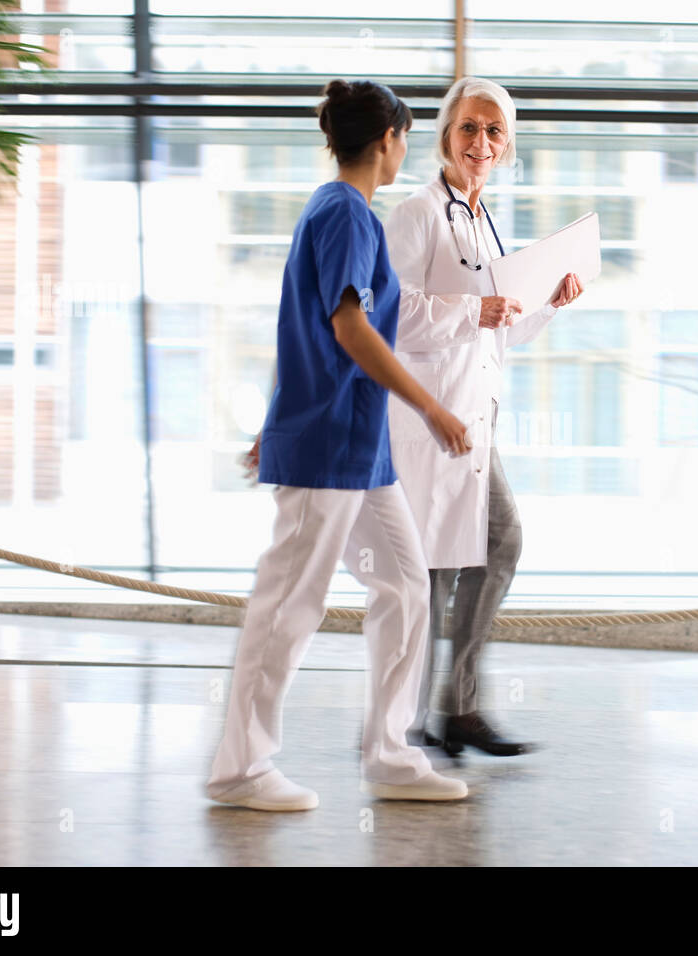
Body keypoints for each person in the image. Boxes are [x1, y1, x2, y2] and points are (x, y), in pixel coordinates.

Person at [206, 79, 472, 810]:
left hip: (356, 444)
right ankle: (240, 769)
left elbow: (299, 326)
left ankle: (389, 753)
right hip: (330, 441)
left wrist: (273, 421)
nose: (403, 154)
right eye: (406, 139)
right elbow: (347, 329)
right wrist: (432, 408)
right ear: (387, 138)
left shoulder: (338, 211)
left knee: (406, 582)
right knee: (291, 602)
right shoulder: (348, 214)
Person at [383, 76, 584, 757]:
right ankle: (406, 726)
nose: (482, 141)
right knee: (432, 570)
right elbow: (391, 313)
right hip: (429, 418)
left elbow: (501, 332)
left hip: (477, 418)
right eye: (470, 127)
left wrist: (548, 302)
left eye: (494, 131)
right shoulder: (417, 214)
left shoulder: (486, 220)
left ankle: (457, 708)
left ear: (507, 144)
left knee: (495, 544)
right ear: (446, 134)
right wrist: (476, 310)